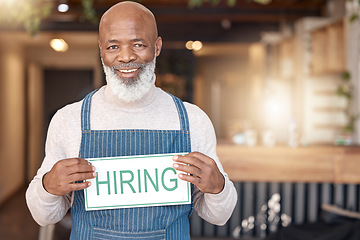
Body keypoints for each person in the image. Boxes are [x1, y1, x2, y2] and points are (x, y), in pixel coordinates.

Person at [26, 1, 237, 239]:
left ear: (157, 47)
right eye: (113, 46)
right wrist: (48, 186)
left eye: (138, 44)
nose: (126, 57)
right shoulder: (68, 120)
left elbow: (218, 216)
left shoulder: (192, 120)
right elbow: (44, 216)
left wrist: (218, 186)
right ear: (101, 50)